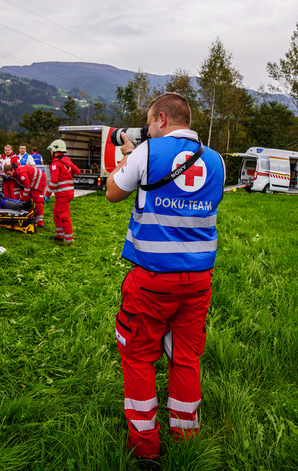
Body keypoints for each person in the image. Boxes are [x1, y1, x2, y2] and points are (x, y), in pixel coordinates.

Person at [106, 92, 225, 468]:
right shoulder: (217, 161)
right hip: (198, 280)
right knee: (187, 358)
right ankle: (186, 436)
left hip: (153, 280)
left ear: (160, 119)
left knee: (139, 357)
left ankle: (145, 450)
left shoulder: (146, 153)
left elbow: (112, 194)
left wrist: (127, 154)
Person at [45, 139, 80, 245]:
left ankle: (69, 241)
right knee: (56, 214)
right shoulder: (67, 160)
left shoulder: (56, 163)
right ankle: (59, 235)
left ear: (56, 150)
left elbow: (54, 181)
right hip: (67, 193)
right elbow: (77, 172)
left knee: (64, 217)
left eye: (51, 150)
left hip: (62, 195)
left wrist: (47, 195)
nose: (50, 152)